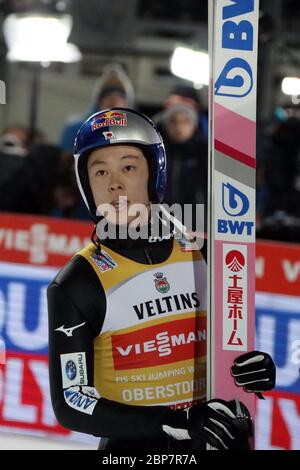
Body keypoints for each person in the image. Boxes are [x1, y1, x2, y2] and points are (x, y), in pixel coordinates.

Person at [47, 108, 276, 451]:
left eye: (128, 167)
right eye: (100, 171)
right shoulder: (77, 283)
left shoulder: (207, 254)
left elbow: (232, 344)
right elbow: (71, 403)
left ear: (153, 174)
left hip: (217, 442)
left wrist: (252, 370)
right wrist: (172, 422)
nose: (115, 183)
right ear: (86, 186)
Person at [60, 64, 135, 153]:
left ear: (126, 103)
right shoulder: (76, 129)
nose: (114, 100)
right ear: (99, 101)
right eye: (107, 95)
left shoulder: (134, 132)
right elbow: (64, 160)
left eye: (119, 96)